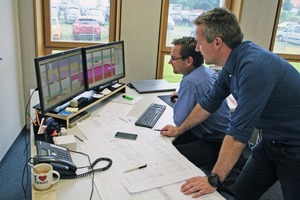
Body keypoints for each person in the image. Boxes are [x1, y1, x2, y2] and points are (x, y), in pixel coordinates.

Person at [160, 7, 300, 200]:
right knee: (240, 194)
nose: (198, 49)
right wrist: (179, 130)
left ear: (217, 42)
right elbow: (209, 103)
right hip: (270, 142)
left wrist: (213, 180)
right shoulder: (233, 62)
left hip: (295, 148)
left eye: (200, 43)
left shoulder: (254, 68)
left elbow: (237, 135)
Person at [167, 36, 232, 169]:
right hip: (225, 136)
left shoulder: (191, 82)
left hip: (214, 143)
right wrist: (184, 96)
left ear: (189, 61)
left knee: (167, 156)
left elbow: (179, 120)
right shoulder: (206, 72)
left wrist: (184, 98)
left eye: (173, 58)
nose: (169, 62)